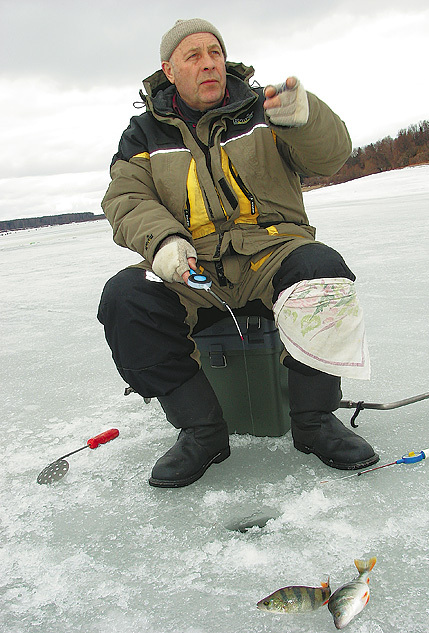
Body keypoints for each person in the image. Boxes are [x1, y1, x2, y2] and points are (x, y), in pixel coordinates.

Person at [98, 18, 379, 488]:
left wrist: (305, 119)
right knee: (126, 296)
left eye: (215, 52)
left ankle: (313, 422)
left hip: (271, 253)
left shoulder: (264, 108)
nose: (209, 62)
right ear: (169, 70)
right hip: (193, 267)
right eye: (194, 56)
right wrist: (165, 242)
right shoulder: (142, 135)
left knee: (321, 270)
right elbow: (126, 200)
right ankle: (201, 431)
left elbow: (330, 156)